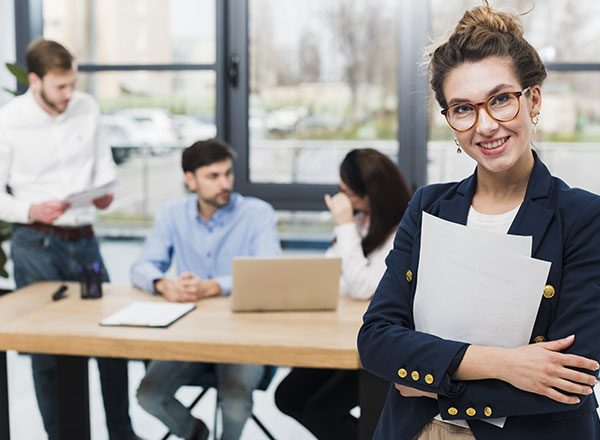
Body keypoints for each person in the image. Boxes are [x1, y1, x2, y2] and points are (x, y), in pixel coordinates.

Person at [357, 2, 600, 439]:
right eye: (463, 108)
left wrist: (425, 377)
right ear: (450, 119)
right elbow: (376, 341)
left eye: (501, 99)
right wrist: (506, 363)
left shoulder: (583, 217)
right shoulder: (427, 208)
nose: (485, 125)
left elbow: (571, 379)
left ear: (534, 99)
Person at [0, 39, 140, 440]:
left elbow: (102, 166)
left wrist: (105, 191)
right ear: (34, 80)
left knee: (112, 337)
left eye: (72, 84)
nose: (69, 94)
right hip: (36, 245)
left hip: (86, 240)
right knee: (47, 353)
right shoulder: (9, 120)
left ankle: (121, 431)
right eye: (60, 86)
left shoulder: (87, 108)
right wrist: (30, 210)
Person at [131, 139, 281, 440]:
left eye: (227, 174)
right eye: (213, 176)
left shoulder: (257, 214)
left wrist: (213, 286)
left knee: (236, 402)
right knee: (149, 394)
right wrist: (163, 284)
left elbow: (270, 273)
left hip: (244, 334)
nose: (224, 183)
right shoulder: (172, 214)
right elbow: (142, 267)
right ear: (190, 180)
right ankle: (195, 433)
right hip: (190, 332)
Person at [275, 148, 412, 439]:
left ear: (371, 193)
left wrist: (345, 225)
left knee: (320, 411)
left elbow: (362, 288)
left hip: (378, 344)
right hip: (343, 336)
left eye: (348, 193)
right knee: (287, 396)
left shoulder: (403, 229)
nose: (342, 201)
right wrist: (348, 229)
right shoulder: (362, 222)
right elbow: (332, 277)